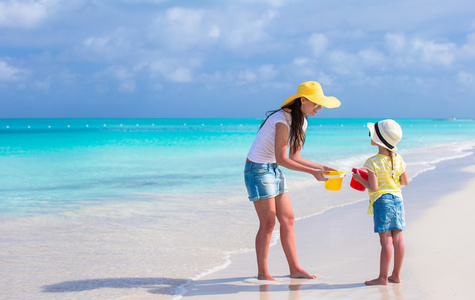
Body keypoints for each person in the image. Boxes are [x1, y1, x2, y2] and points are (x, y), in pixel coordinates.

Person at [244, 81, 341, 281]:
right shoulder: (281, 118)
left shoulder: (302, 121)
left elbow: (295, 156)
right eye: (316, 103)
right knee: (268, 223)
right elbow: (282, 158)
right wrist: (312, 173)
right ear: (303, 100)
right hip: (257, 169)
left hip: (272, 168)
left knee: (288, 219)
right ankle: (263, 273)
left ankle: (295, 268)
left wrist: (320, 167)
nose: (319, 108)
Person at [352, 119, 409, 285]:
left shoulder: (372, 162)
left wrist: (358, 179)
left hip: (382, 202)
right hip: (397, 199)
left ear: (378, 139)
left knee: (385, 241)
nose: (370, 134)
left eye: (372, 133)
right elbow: (404, 181)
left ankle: (382, 278)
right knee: (398, 240)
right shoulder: (398, 159)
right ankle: (396, 275)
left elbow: (374, 188)